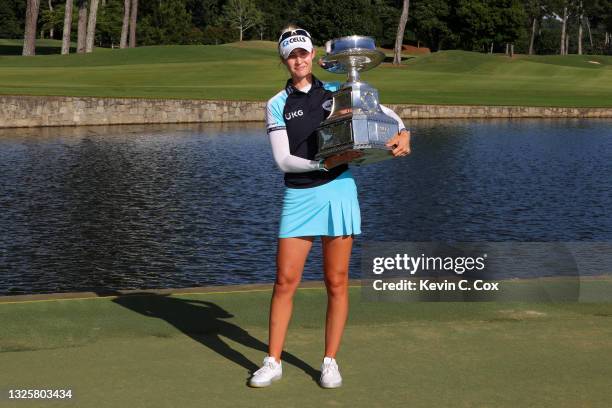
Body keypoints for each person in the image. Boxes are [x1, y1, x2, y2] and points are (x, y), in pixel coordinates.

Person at [248, 26, 411, 388]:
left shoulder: (337, 92)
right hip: (300, 195)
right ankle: (273, 360)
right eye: (292, 55)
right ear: (284, 61)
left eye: (303, 53)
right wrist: (324, 164)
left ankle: (329, 361)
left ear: (313, 56)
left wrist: (404, 133)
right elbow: (284, 161)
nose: (299, 60)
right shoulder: (276, 104)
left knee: (336, 282)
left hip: (339, 192)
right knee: (284, 281)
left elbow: (389, 115)